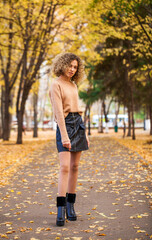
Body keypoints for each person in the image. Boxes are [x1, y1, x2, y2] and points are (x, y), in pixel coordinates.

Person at [49, 53, 89, 226]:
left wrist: (85, 133)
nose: (72, 69)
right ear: (62, 64)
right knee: (64, 167)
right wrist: (64, 136)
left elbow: (78, 110)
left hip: (78, 124)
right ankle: (61, 209)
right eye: (70, 65)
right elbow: (58, 113)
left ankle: (71, 207)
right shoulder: (55, 85)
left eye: (75, 67)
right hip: (65, 125)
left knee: (75, 166)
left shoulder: (73, 85)